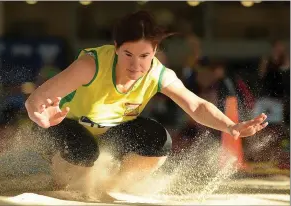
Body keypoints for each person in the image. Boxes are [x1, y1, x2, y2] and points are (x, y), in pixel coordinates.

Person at [25, 11, 268, 200]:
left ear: (154, 53)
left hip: (109, 133)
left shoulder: (159, 74)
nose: (136, 65)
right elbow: (35, 100)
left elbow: (196, 106)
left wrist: (230, 126)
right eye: (128, 54)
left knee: (158, 140)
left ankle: (113, 185)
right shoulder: (91, 65)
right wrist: (40, 116)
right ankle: (60, 183)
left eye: (144, 56)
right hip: (62, 126)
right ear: (117, 48)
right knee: (84, 154)